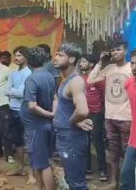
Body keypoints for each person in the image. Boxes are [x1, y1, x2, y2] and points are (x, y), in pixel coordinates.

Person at [87, 40, 132, 189]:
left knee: (127, 154)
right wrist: (101, 62)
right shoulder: (109, 68)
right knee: (113, 152)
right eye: (113, 50)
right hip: (110, 117)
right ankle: (114, 182)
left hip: (127, 118)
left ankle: (129, 183)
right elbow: (91, 80)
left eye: (118, 50)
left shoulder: (132, 68)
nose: (115, 53)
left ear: (126, 50)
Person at [54, 43, 91, 190]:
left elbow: (82, 110)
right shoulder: (65, 79)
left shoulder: (75, 81)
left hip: (72, 138)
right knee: (71, 179)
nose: (55, 58)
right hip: (65, 136)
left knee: (77, 184)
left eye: (60, 55)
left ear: (71, 59)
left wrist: (72, 122)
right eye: (56, 54)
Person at [21, 47, 55, 190]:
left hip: (36, 127)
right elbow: (55, 97)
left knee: (43, 165)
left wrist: (50, 114)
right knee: (38, 162)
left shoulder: (32, 79)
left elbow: (32, 106)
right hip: (43, 126)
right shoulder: (48, 75)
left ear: (28, 62)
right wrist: (52, 114)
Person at [79, 54, 108, 181]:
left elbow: (104, 96)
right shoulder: (79, 78)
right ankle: (87, 168)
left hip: (97, 113)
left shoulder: (99, 79)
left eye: (83, 61)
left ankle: (102, 170)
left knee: (97, 141)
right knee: (84, 141)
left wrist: (104, 113)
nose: (80, 63)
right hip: (84, 113)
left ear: (91, 64)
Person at [5, 46, 31, 176]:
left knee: (28, 141)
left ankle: (32, 173)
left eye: (20, 55)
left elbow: (21, 93)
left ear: (26, 57)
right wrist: (13, 91)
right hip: (12, 109)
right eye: (15, 55)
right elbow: (6, 90)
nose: (17, 58)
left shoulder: (28, 73)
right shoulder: (13, 73)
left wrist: (12, 92)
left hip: (24, 110)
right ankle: (20, 168)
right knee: (17, 140)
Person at [120, 49, 136, 190]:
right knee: (126, 176)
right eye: (132, 63)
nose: (134, 67)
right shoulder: (128, 84)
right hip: (134, 140)